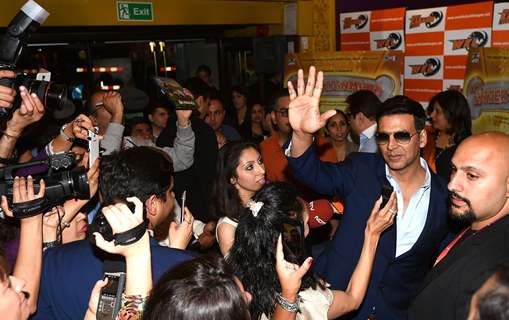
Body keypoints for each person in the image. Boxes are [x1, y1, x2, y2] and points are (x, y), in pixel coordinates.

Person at [285, 67, 450, 319]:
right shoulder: (361, 169)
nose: (391, 146)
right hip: (336, 301)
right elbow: (311, 171)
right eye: (383, 137)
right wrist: (301, 134)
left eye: (402, 136)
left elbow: (444, 261)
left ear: (423, 138)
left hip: (394, 312)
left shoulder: (444, 196)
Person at [34, 147, 195, 319]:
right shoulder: (188, 270)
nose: (173, 198)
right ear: (153, 204)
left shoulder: (52, 260)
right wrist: (179, 255)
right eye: (170, 192)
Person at [227, 182, 396, 320]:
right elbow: (353, 299)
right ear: (290, 237)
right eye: (306, 223)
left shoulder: (232, 277)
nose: (309, 228)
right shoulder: (307, 302)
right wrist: (372, 234)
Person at [409, 132, 509, 320]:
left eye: (471, 175)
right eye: (454, 169)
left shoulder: (498, 269)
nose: (452, 185)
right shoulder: (479, 222)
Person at [212, 141, 266, 256]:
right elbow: (240, 273)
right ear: (232, 179)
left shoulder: (270, 201)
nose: (262, 170)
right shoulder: (228, 228)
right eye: (250, 167)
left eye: (260, 161)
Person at [422, 90, 472, 180]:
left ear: (452, 114)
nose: (432, 115)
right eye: (432, 110)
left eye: (437, 111)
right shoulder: (425, 137)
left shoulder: (468, 145)